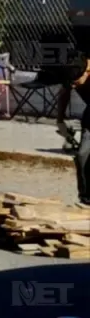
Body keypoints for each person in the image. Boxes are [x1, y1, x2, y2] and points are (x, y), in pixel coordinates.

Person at [72, 52, 90, 204]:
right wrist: (59, 120)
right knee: (82, 155)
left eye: (76, 82)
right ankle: (85, 197)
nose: (73, 86)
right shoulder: (74, 68)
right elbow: (64, 93)